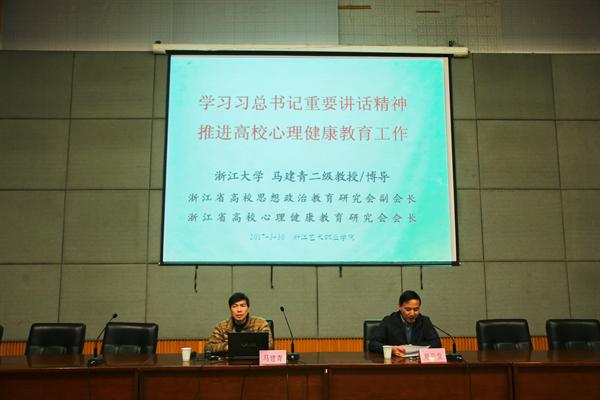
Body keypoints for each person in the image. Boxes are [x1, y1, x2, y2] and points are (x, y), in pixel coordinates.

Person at [368, 290, 441, 356]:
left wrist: (411, 347)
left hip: (417, 362)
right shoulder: (389, 321)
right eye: (408, 309)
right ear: (400, 307)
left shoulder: (424, 321)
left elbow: (436, 343)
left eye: (416, 309)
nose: (412, 313)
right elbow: (373, 344)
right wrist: (392, 349)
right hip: (395, 362)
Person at [205, 292, 273, 354]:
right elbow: (208, 347)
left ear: (248, 309)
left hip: (255, 361)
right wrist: (227, 346)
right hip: (229, 362)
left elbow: (269, 346)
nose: (239, 310)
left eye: (242, 306)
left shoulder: (261, 324)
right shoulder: (222, 327)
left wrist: (240, 346)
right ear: (230, 309)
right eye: (235, 306)